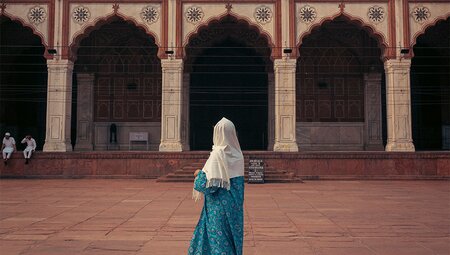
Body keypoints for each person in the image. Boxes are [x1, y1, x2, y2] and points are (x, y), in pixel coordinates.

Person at [188, 117, 245, 255]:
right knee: (231, 241)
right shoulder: (238, 154)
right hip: (235, 209)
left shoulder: (218, 154)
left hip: (217, 209)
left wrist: (198, 173)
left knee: (218, 243)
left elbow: (208, 186)